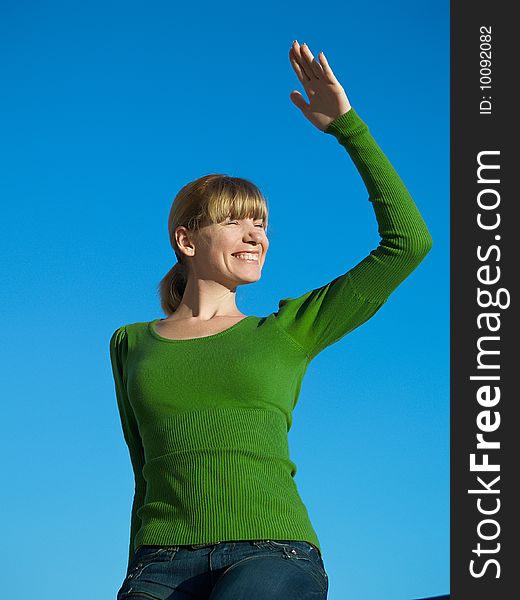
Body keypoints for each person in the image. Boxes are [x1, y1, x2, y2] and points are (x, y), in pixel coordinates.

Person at [109, 40, 433, 600]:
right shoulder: (132, 344)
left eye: (261, 224)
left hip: (272, 553)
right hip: (159, 564)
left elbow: (409, 243)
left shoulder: (287, 330)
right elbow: (144, 471)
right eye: (236, 222)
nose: (257, 235)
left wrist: (348, 127)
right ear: (186, 239)